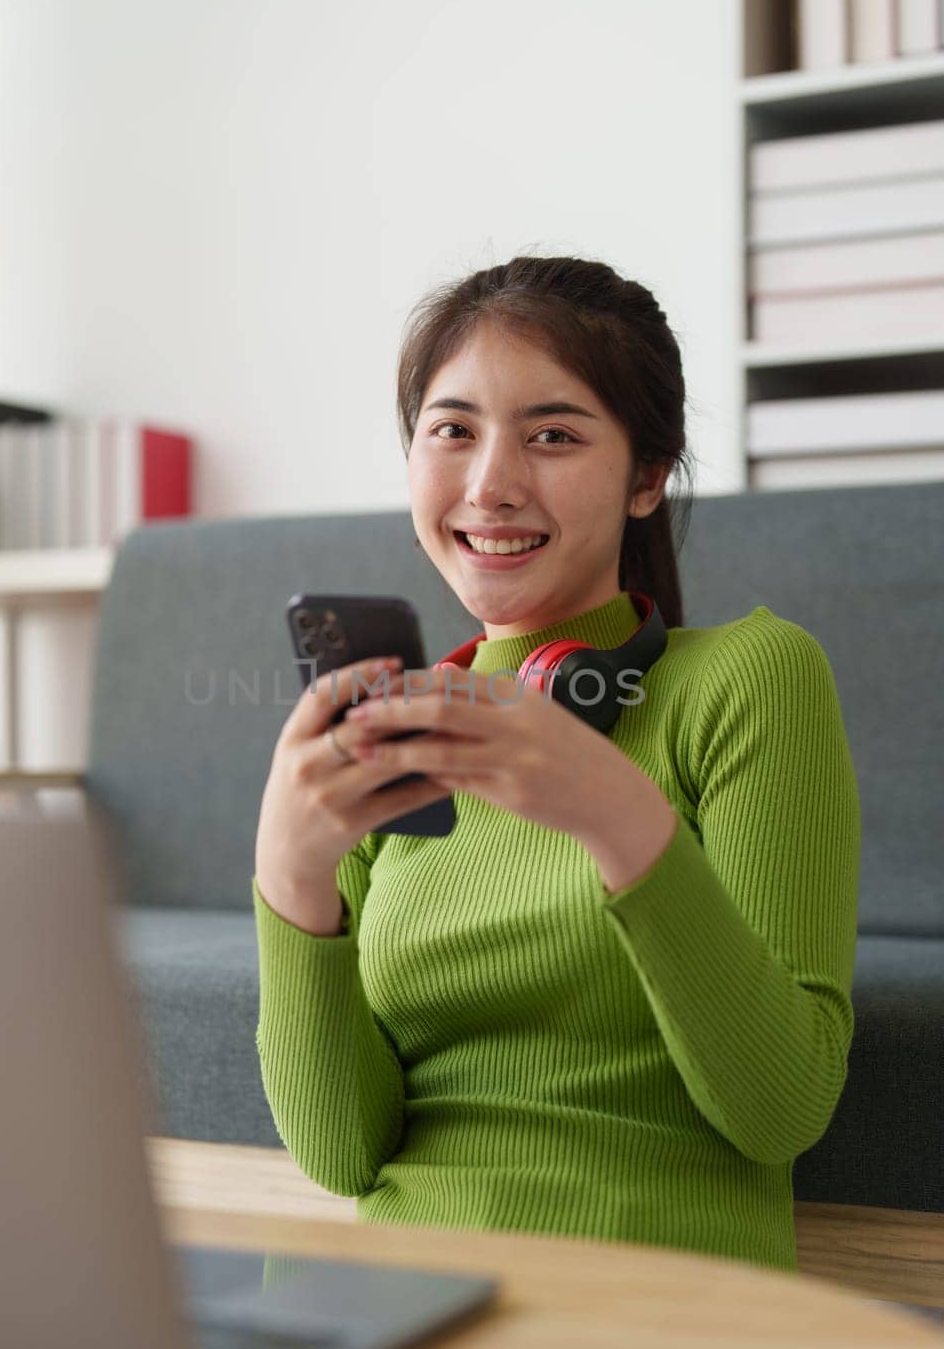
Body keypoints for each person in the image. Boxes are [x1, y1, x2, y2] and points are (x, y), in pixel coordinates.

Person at [251, 254, 861, 1274]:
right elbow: (344, 1153)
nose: (489, 483)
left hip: (648, 1313)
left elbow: (779, 1109)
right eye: (451, 430)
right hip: (398, 1299)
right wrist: (290, 879)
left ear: (645, 475)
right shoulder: (397, 725)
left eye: (552, 434)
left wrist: (617, 819)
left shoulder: (749, 676)